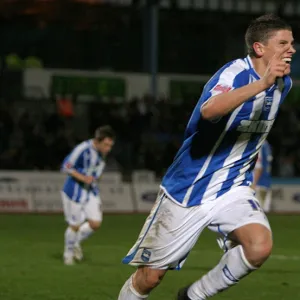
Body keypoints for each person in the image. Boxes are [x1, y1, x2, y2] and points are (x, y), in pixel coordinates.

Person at [118, 14, 295, 300]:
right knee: (150, 277)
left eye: (293, 43)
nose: (292, 49)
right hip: (188, 188)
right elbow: (209, 111)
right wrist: (261, 84)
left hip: (232, 186)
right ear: (260, 48)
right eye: (284, 43)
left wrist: (268, 83)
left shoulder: (283, 84)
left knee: (259, 246)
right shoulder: (234, 74)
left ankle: (193, 296)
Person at [61, 125, 115, 265]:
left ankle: (76, 242)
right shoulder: (82, 149)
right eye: (106, 145)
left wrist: (94, 178)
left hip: (90, 190)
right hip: (74, 190)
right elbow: (66, 166)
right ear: (97, 141)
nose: (108, 149)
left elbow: (96, 171)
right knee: (75, 225)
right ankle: (68, 254)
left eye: (110, 146)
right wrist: (83, 178)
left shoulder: (102, 154)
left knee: (95, 223)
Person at [253, 140, 273, 212]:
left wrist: (253, 185)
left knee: (257, 213)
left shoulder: (259, 144)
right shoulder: (267, 144)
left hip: (259, 183)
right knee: (264, 212)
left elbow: (258, 167)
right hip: (266, 182)